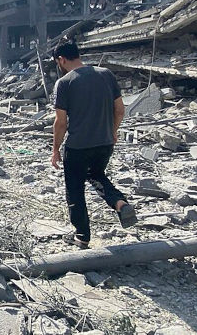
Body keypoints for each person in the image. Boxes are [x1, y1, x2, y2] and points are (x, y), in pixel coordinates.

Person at [51, 40, 137, 249]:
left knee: (75, 190)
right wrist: (113, 131)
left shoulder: (64, 83)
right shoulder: (106, 74)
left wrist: (55, 150)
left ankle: (82, 236)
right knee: (96, 175)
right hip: (104, 142)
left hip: (78, 146)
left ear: (61, 60)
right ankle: (119, 203)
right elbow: (120, 109)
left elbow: (61, 122)